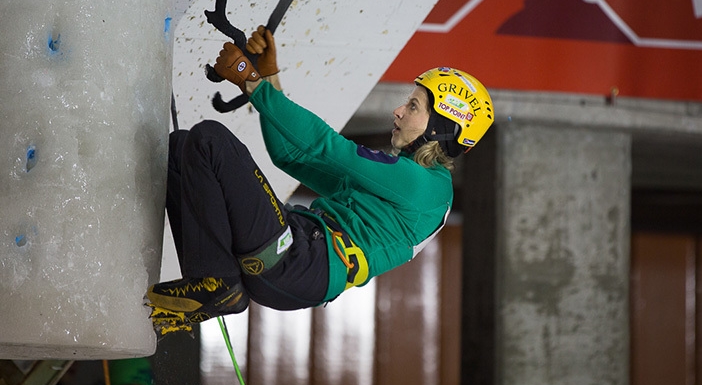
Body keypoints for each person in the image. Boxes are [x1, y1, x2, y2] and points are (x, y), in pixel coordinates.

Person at [146, 26, 494, 331]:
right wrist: (268, 77)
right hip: (300, 263)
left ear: (441, 128)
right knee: (180, 151)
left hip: (303, 259)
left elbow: (326, 147)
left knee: (209, 141)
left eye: (414, 106)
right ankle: (217, 283)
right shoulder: (406, 186)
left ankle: (218, 284)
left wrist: (249, 81)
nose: (399, 110)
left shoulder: (424, 187)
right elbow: (292, 155)